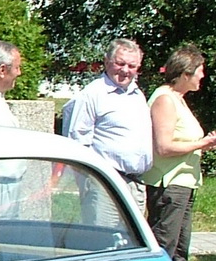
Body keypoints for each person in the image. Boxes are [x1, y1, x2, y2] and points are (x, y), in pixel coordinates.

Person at [142, 47, 216, 261]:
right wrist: (202, 144)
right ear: (185, 73)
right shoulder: (165, 99)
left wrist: (206, 143)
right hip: (169, 184)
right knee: (165, 244)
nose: (203, 76)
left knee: (180, 247)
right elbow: (164, 147)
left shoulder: (178, 99)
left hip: (184, 183)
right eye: (200, 71)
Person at [61, 38, 152, 214]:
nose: (125, 70)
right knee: (103, 239)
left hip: (136, 184)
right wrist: (91, 182)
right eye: (120, 63)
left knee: (132, 241)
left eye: (132, 66)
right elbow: (77, 142)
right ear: (106, 61)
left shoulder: (137, 94)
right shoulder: (92, 95)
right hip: (105, 185)